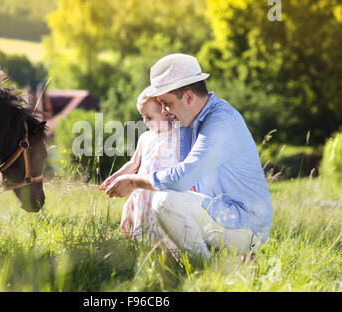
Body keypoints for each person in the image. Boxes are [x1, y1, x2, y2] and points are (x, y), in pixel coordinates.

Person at [104, 53, 273, 258]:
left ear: (189, 97)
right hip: (218, 216)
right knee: (160, 238)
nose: (165, 111)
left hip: (245, 225)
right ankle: (208, 265)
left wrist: (134, 182)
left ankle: (204, 275)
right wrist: (133, 199)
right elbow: (165, 171)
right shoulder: (187, 125)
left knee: (165, 202)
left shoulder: (220, 121)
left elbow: (182, 178)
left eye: (167, 103)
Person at [101, 90, 210, 256]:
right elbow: (134, 163)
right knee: (145, 235)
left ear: (165, 111)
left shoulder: (179, 135)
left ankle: (173, 260)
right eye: (142, 117)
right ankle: (147, 261)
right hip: (144, 195)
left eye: (149, 117)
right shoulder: (145, 138)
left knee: (168, 232)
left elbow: (185, 166)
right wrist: (115, 177)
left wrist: (191, 187)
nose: (145, 121)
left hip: (164, 192)